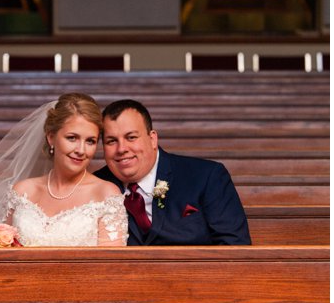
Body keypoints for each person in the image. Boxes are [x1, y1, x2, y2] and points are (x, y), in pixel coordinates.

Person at [0, 93, 127, 247]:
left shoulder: (106, 194)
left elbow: (111, 266)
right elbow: (0, 254)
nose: (81, 150)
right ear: (51, 137)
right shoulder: (22, 192)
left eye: (90, 141)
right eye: (72, 138)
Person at [96, 99, 251, 246]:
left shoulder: (206, 176)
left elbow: (234, 247)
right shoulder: (95, 184)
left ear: (152, 139)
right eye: (111, 141)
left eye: (131, 137)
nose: (121, 149)